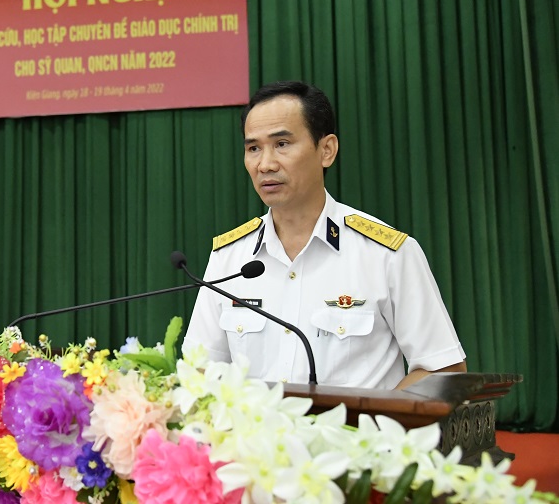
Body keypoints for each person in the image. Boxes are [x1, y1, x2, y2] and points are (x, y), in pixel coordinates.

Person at [183, 81, 466, 390]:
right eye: (253, 148)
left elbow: (443, 369)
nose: (265, 164)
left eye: (282, 144)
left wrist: (372, 416)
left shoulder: (386, 254)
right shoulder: (229, 259)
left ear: (326, 150)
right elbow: (199, 371)